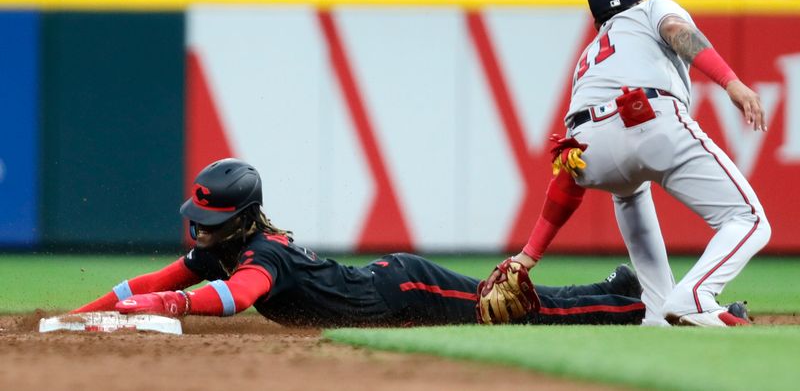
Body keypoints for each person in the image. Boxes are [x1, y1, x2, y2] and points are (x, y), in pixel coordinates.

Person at [484, 0, 769, 327]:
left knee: (629, 194)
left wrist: (529, 255)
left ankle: (657, 309)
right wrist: (731, 83)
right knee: (749, 220)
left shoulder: (587, 61)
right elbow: (678, 32)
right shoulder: (650, 9)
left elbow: (568, 177)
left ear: (596, 21)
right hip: (646, 117)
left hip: (588, 147)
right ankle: (695, 295)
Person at [74, 158, 647, 327]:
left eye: (208, 216)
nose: (197, 226)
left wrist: (171, 305)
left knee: (513, 311)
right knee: (511, 307)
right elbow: (153, 282)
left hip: (402, 289)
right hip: (384, 285)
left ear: (241, 218)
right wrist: (87, 313)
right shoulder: (218, 250)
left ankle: (632, 302)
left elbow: (238, 297)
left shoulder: (261, 255)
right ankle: (615, 287)